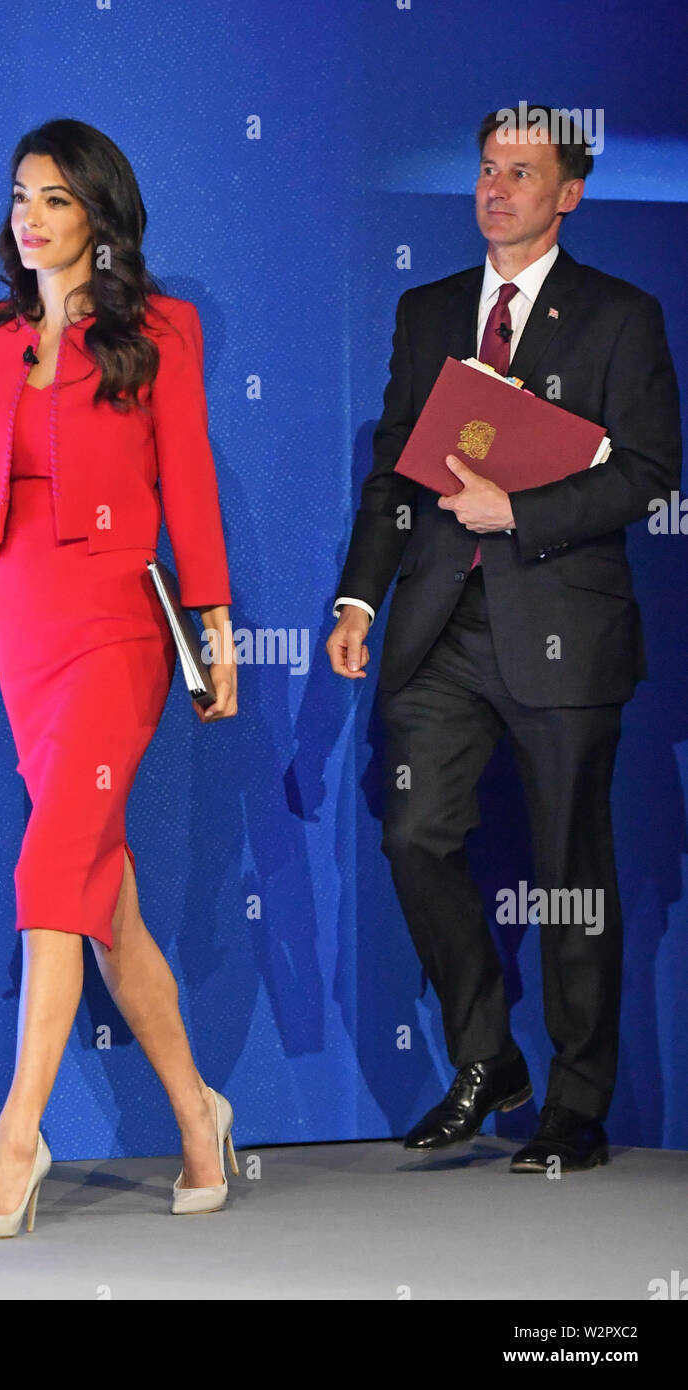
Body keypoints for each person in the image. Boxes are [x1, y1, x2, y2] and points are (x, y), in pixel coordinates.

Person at [327, 104, 681, 1172]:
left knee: (571, 868)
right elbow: (394, 469)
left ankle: (574, 1105)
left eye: (519, 172)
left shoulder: (619, 315)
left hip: (562, 624)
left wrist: (519, 513)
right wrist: (356, 600)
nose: (494, 188)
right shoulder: (426, 309)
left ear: (566, 193)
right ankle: (488, 1054)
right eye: (485, 169)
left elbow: (649, 470)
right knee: (410, 835)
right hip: (441, 625)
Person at [0, 119, 238, 1237]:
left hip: (118, 627)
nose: (31, 215)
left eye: (56, 198)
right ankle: (197, 1112)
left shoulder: (160, 329)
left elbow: (191, 483)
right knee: (103, 899)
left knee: (51, 859)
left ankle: (17, 1134)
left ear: (98, 217)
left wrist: (212, 632)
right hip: (23, 629)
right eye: (21, 194)